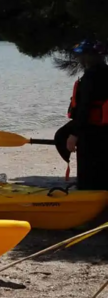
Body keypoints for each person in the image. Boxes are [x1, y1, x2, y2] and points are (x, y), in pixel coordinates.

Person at [65, 40, 108, 190]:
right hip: (104, 128)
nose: (78, 59)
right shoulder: (105, 72)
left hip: (91, 129)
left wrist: (75, 134)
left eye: (80, 56)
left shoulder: (90, 78)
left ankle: (89, 193)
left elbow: (84, 108)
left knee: (89, 168)